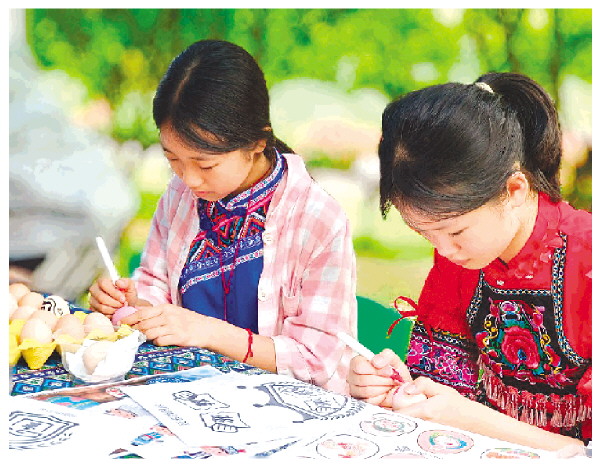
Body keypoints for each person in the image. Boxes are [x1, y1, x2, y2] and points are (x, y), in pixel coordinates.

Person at [88, 39, 357, 394]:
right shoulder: (180, 196)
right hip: (189, 393)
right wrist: (133, 304)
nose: (189, 179)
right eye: (173, 159)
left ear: (257, 142)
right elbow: (156, 284)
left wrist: (207, 332)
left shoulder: (317, 220)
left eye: (205, 164)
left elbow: (315, 360)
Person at [347, 72, 591, 454]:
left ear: (514, 189)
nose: (444, 251)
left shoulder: (587, 263)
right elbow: (444, 391)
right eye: (424, 234)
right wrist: (397, 386)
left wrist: (469, 419)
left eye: (455, 232)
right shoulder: (464, 257)